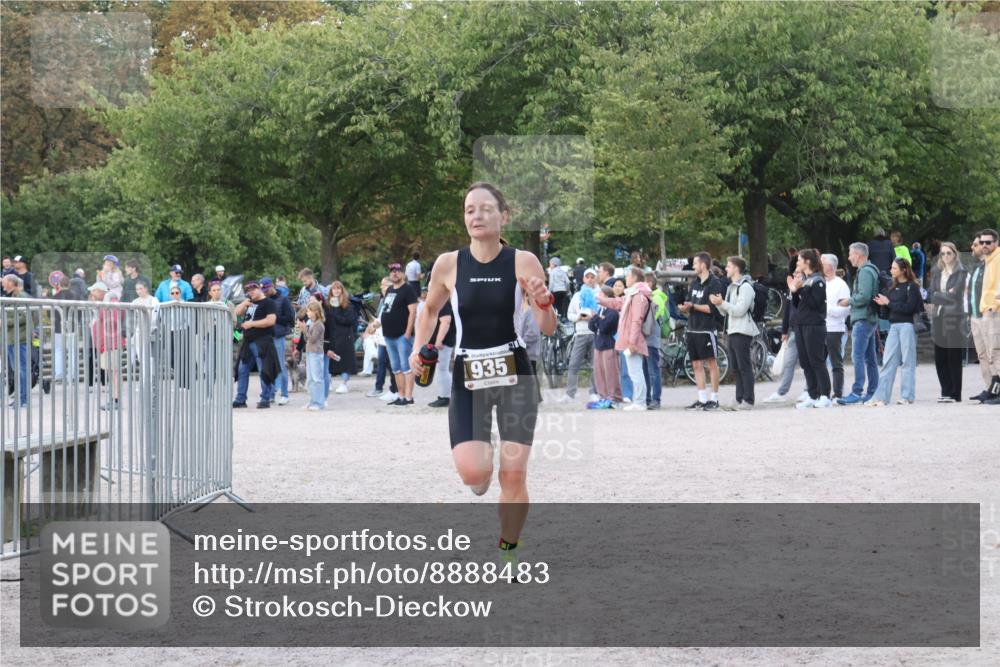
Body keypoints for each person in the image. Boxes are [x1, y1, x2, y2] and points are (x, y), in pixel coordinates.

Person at [408, 182, 556, 567]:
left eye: (486, 209)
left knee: (513, 475)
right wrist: (418, 349)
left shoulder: (523, 261)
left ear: (503, 216)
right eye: (469, 209)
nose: (477, 215)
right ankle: (481, 466)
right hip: (468, 373)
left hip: (514, 374)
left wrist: (542, 301)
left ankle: (509, 550)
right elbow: (429, 311)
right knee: (475, 475)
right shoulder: (448, 264)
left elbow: (548, 326)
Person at [866, 258, 923, 406]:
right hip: (894, 326)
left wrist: (889, 303)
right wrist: (882, 304)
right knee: (888, 361)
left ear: (904, 270)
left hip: (907, 326)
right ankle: (881, 397)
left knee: (908, 362)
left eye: (894, 268)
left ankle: (907, 396)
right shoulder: (892, 286)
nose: (891, 271)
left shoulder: (913, 287)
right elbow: (888, 311)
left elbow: (909, 308)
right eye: (891, 268)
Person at [596, 266, 651, 411]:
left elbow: (637, 320)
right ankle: (639, 401)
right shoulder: (632, 295)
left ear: (634, 278)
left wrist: (632, 341)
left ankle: (639, 402)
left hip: (633, 339)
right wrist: (601, 299)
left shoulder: (638, 296)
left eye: (628, 276)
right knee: (635, 371)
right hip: (630, 337)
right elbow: (616, 303)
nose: (626, 279)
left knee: (635, 371)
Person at [710, 256, 759, 409]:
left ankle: (749, 400)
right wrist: (718, 304)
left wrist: (723, 303)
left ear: (737, 269)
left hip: (743, 330)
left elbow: (739, 311)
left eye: (729, 266)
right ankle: (739, 398)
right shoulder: (732, 287)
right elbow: (726, 313)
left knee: (744, 366)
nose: (726, 269)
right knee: (736, 367)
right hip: (733, 329)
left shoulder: (745, 287)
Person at [837, 242, 882, 405]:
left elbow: (864, 296)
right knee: (870, 358)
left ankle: (857, 392)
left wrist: (848, 301)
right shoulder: (870, 270)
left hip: (863, 319)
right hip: (868, 318)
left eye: (850, 254)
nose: (849, 257)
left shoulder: (864, 272)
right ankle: (872, 392)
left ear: (859, 255)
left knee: (857, 356)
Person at [679, 252, 724, 411]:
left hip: (707, 329)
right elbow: (691, 305)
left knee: (711, 363)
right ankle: (702, 399)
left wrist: (693, 306)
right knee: (696, 364)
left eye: (695, 263)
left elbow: (711, 309)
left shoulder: (715, 283)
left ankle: (715, 399)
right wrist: (686, 309)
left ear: (703, 265)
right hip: (692, 328)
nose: (693, 266)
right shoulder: (694, 283)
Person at [788, 249, 832, 408]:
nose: (797, 262)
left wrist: (802, 289)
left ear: (807, 262)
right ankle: (813, 395)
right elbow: (798, 304)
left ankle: (825, 395)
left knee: (817, 361)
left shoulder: (818, 280)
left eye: (799, 260)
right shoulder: (805, 279)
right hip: (801, 324)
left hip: (814, 325)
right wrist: (795, 289)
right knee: (805, 362)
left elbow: (815, 303)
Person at [926, 241, 968, 403]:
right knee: (940, 357)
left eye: (948, 253)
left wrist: (939, 295)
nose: (945, 256)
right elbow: (930, 294)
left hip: (955, 317)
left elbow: (955, 296)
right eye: (942, 253)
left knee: (953, 357)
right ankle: (946, 391)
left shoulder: (961, 271)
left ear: (955, 254)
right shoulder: (937, 271)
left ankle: (955, 394)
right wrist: (943, 295)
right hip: (938, 316)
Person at [233, 281, 279, 408]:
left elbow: (271, 320)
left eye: (253, 289)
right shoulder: (249, 303)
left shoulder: (269, 303)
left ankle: (265, 398)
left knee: (263, 370)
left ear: (260, 289)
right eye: (248, 290)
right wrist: (244, 303)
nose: (251, 292)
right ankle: (240, 399)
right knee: (242, 370)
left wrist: (252, 324)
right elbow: (236, 313)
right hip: (248, 342)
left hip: (262, 341)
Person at [558, 268, 599, 404]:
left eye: (592, 277)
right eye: (587, 277)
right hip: (580, 332)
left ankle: (594, 392)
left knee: (595, 364)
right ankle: (570, 393)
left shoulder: (599, 294)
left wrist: (594, 315)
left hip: (595, 333)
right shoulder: (577, 296)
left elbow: (604, 311)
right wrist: (578, 317)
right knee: (573, 363)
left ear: (596, 278)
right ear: (583, 279)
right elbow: (569, 314)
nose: (590, 279)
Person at [382, 262, 418, 406]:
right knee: (396, 368)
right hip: (388, 335)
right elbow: (386, 309)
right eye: (391, 271)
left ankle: (409, 397)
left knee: (406, 367)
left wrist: (408, 332)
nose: (394, 273)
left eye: (397, 270)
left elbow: (413, 312)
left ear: (403, 273)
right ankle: (400, 395)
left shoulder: (408, 290)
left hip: (402, 335)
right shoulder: (390, 289)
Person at [364, 277, 400, 402]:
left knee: (391, 365)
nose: (381, 287)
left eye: (384, 285)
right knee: (382, 363)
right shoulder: (383, 300)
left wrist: (376, 324)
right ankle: (380, 387)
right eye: (381, 285)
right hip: (381, 338)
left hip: (389, 337)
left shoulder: (394, 299)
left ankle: (395, 389)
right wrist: (373, 326)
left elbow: (387, 318)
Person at [88, 281, 123, 410]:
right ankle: (114, 399)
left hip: (111, 343)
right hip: (107, 343)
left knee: (114, 372)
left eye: (94, 291)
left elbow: (112, 323)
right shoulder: (103, 303)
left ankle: (116, 400)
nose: (91, 293)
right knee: (111, 372)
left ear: (101, 292)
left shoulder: (110, 303)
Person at [260, 277, 294, 405]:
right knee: (268, 366)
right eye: (263, 290)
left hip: (278, 336)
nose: (265, 292)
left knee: (280, 365)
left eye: (267, 289)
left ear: (272, 286)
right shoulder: (264, 299)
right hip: (266, 336)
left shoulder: (283, 299)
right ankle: (271, 393)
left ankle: (285, 394)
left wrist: (274, 317)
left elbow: (290, 318)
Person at [822, 253, 851, 399]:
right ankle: (822, 391)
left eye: (823, 262)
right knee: (819, 361)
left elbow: (845, 309)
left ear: (831, 266)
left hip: (834, 328)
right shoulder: (820, 282)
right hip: (820, 327)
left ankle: (838, 392)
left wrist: (828, 310)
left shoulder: (841, 285)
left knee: (835, 362)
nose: (820, 265)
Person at [588, 286, 622, 408]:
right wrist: (596, 317)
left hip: (609, 345)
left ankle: (614, 397)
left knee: (611, 372)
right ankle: (603, 396)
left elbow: (603, 327)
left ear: (607, 297)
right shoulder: (600, 311)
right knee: (599, 372)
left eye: (600, 295)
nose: (597, 298)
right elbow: (591, 327)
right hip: (598, 344)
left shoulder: (612, 312)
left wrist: (596, 318)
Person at [2, 275, 33, 407]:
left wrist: (5, 322)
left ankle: (24, 400)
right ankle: (20, 398)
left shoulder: (21, 296)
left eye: (4, 283)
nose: (3, 285)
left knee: (22, 370)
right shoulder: (15, 296)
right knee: (18, 370)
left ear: (10, 282)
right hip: (14, 339)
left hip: (20, 339)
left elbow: (25, 317)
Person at [977, 228, 1000, 404]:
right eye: (982, 242)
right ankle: (994, 389)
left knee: (996, 353)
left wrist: (994, 307)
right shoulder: (988, 261)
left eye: (988, 242)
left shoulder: (998, 259)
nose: (984, 245)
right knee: (990, 354)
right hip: (986, 311)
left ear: (996, 243)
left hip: (995, 312)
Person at [325, 281, 357, 396]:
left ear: (342, 290)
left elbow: (349, 320)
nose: (336, 290)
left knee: (346, 360)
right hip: (332, 335)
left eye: (339, 288)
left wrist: (335, 316)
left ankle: (344, 383)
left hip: (345, 335)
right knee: (330, 360)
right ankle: (328, 382)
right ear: (331, 291)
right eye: (334, 289)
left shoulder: (348, 304)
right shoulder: (327, 304)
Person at [427, 296, 456, 408]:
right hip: (442, 341)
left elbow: (445, 322)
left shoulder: (444, 303)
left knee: (442, 370)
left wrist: (439, 340)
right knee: (442, 370)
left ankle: (445, 397)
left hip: (443, 342)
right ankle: (445, 396)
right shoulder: (442, 303)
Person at [641, 270, 663, 409]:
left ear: (649, 283)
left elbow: (654, 319)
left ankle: (656, 399)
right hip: (645, 339)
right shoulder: (648, 297)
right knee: (645, 370)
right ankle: (648, 398)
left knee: (653, 370)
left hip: (651, 338)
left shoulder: (656, 298)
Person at [303, 301, 327, 411]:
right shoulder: (311, 323)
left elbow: (312, 339)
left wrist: (304, 329)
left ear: (315, 311)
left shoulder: (319, 324)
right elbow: (306, 339)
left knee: (317, 378)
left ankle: (319, 402)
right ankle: (313, 400)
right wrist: (305, 329)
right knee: (311, 378)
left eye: (309, 311)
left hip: (316, 353)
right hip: (309, 352)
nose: (307, 313)